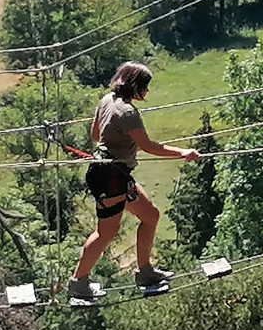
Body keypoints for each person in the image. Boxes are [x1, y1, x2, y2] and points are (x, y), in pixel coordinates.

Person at [67, 62, 200, 303]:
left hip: (113, 173)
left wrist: (119, 141)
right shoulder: (127, 113)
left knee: (150, 216)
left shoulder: (106, 100)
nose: (147, 93)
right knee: (106, 232)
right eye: (145, 87)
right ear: (135, 87)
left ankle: (145, 272)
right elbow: (148, 146)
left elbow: (96, 135)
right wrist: (183, 152)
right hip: (111, 177)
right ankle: (79, 282)